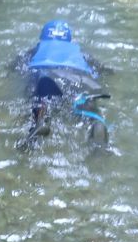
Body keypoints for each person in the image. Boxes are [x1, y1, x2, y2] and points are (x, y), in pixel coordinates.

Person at [15, 20, 111, 149]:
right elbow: (103, 70)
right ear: (69, 39)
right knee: (89, 107)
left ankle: (41, 121)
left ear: (43, 37)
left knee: (41, 99)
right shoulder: (80, 53)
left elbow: (17, 66)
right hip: (79, 76)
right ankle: (97, 128)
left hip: (46, 73)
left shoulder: (34, 50)